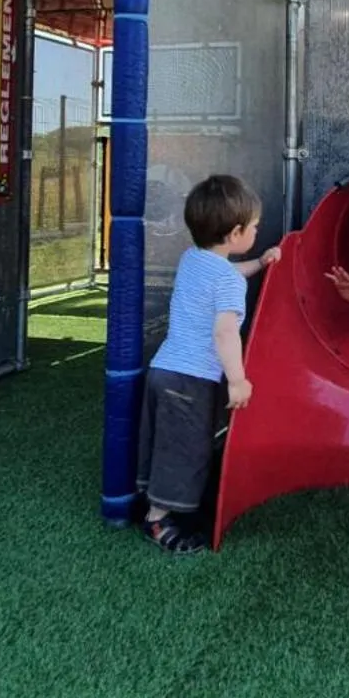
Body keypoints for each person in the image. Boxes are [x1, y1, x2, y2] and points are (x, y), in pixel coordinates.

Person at [137, 174, 280, 554]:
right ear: (235, 233)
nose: (256, 231)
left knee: (166, 442)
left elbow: (229, 273)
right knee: (185, 449)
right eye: (253, 228)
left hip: (163, 370)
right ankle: (158, 521)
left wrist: (260, 263)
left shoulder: (193, 260)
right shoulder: (227, 284)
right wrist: (237, 380)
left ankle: (155, 500)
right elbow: (224, 334)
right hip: (191, 378)